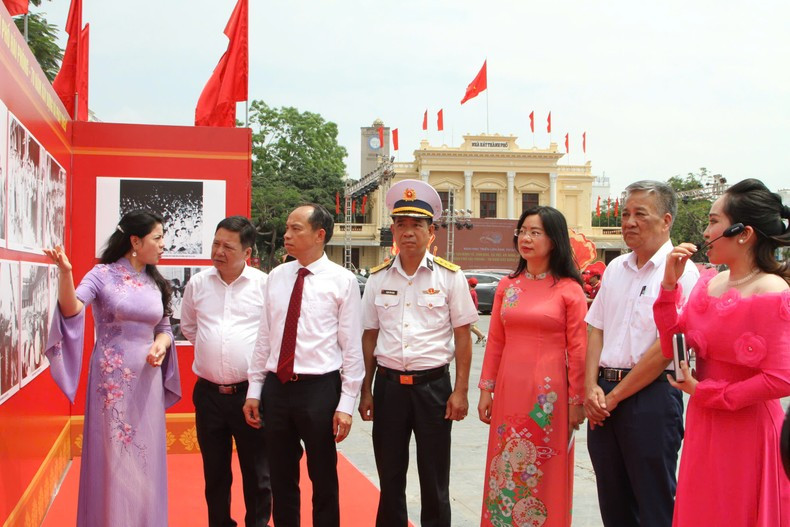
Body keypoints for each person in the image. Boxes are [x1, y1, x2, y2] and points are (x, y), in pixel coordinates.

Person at [653, 178, 790, 526]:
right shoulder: (707, 281)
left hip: (748, 428)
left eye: (714, 221)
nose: (706, 229)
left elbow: (781, 378)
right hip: (703, 421)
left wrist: (707, 392)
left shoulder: (771, 289)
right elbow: (674, 343)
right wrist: (669, 286)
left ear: (743, 233)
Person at [43, 210, 181, 527]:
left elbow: (164, 328)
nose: (163, 245)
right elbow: (72, 308)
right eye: (158, 238)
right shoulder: (101, 274)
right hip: (112, 380)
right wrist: (65, 273)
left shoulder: (156, 282)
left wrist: (161, 344)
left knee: (146, 457)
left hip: (148, 380)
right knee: (114, 458)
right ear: (135, 241)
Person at [358, 179, 479, 527]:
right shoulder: (379, 279)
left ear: (431, 232)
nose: (408, 232)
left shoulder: (449, 277)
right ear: (393, 230)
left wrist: (461, 391)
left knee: (434, 478)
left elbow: (463, 338)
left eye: (417, 225)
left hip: (434, 390)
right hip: (390, 388)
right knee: (390, 477)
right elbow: (369, 336)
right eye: (401, 225)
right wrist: (367, 389)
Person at [583, 181, 699, 527]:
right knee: (613, 501)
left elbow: (666, 349)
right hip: (603, 396)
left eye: (639, 214)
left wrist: (615, 396)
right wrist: (591, 387)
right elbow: (596, 328)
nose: (629, 222)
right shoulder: (616, 268)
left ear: (666, 220)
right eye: (625, 214)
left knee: (655, 502)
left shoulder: (683, 274)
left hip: (650, 398)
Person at [243, 204, 363, 527]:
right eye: (287, 227)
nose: (287, 234)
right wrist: (255, 390)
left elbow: (352, 347)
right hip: (277, 389)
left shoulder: (343, 281)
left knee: (323, 476)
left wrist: (347, 404)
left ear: (319, 234)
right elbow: (264, 338)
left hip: (320, 390)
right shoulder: (277, 278)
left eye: (296, 228)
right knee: (280, 478)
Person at [477, 206, 588, 526]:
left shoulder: (569, 290)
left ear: (554, 240)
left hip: (548, 397)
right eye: (522, 231)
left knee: (544, 465)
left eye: (534, 232)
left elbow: (578, 349)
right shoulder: (507, 287)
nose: (525, 238)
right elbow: (495, 341)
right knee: (506, 463)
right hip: (510, 391)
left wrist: (576, 400)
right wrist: (486, 390)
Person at [180, 216, 272, 527]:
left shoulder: (264, 285)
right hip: (208, 395)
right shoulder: (198, 284)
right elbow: (190, 328)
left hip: (251, 395)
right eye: (216, 243)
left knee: (257, 472)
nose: (219, 251)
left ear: (247, 252)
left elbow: (272, 337)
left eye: (227, 247)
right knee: (215, 472)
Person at [467, 277, 486, 344]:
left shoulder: (471, 293)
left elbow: (469, 303)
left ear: (469, 284)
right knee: (471, 326)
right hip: (472, 311)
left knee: (470, 326)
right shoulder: (473, 292)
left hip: (470, 311)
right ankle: (479, 336)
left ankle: (482, 336)